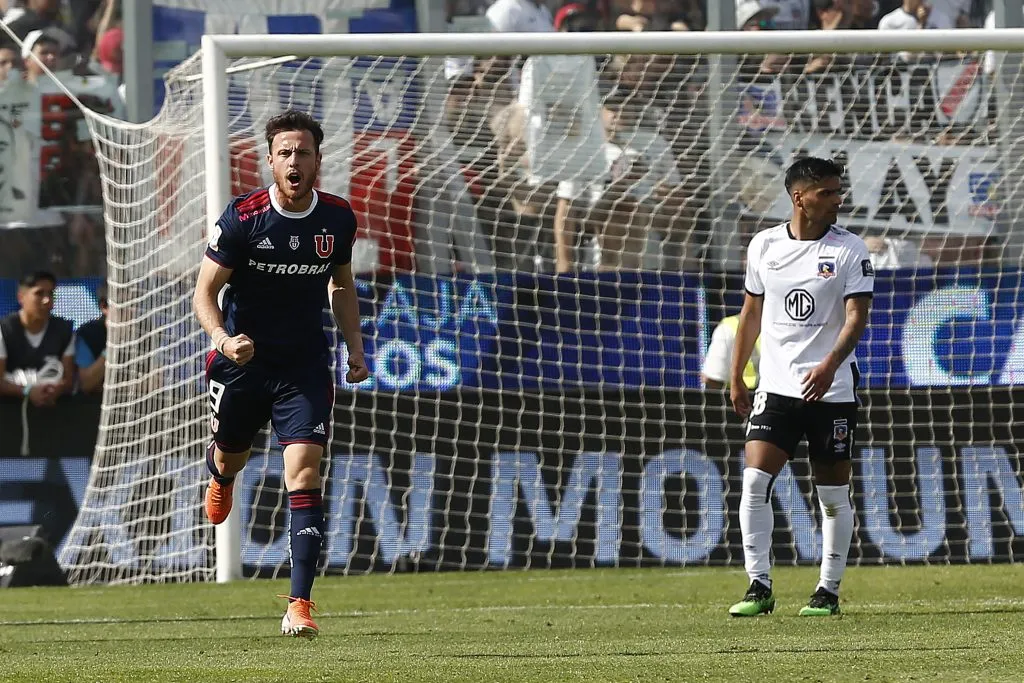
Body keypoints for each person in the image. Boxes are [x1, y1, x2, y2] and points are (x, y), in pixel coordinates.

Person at [192, 110, 368, 638]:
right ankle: (221, 475)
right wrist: (225, 340)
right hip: (243, 364)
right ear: (270, 161)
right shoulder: (243, 219)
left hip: (304, 365)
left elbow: (340, 285)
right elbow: (204, 293)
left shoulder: (337, 219)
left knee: (306, 472)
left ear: (318, 160)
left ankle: (299, 604)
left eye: (304, 152)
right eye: (285, 152)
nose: (295, 161)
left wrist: (355, 346)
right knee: (232, 456)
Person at [728, 157, 874, 618]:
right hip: (776, 388)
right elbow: (750, 314)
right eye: (827, 193)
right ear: (799, 198)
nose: (837, 200)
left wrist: (831, 364)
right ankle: (759, 585)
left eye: (838, 191)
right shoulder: (764, 245)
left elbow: (856, 318)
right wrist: (737, 376)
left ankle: (827, 590)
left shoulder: (851, 249)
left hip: (830, 392)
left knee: (832, 495)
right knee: (754, 481)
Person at [701, 314, 759, 390]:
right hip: (744, 397)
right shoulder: (729, 327)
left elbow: (711, 378)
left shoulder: (729, 326)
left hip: (739, 398)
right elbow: (712, 379)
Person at [75, 284, 107, 395]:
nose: (133, 310)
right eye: (125, 304)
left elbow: (155, 383)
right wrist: (113, 347)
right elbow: (86, 384)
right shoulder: (88, 333)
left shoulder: (146, 331)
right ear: (104, 307)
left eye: (135, 304)